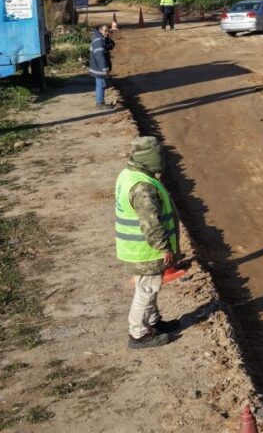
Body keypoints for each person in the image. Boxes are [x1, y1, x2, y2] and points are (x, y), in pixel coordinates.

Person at [115, 136, 180, 349]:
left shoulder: (129, 174)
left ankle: (153, 322)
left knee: (151, 286)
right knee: (146, 290)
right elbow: (150, 223)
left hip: (138, 248)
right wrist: (163, 247)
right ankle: (139, 334)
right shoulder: (143, 187)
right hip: (145, 250)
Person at [89, 24, 115, 110]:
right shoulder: (99, 40)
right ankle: (100, 103)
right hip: (99, 68)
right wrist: (105, 68)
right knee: (101, 85)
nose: (107, 33)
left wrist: (107, 38)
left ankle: (100, 102)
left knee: (100, 84)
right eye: (105, 31)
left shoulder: (101, 39)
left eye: (108, 31)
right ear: (100, 31)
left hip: (97, 67)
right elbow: (100, 56)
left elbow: (111, 46)